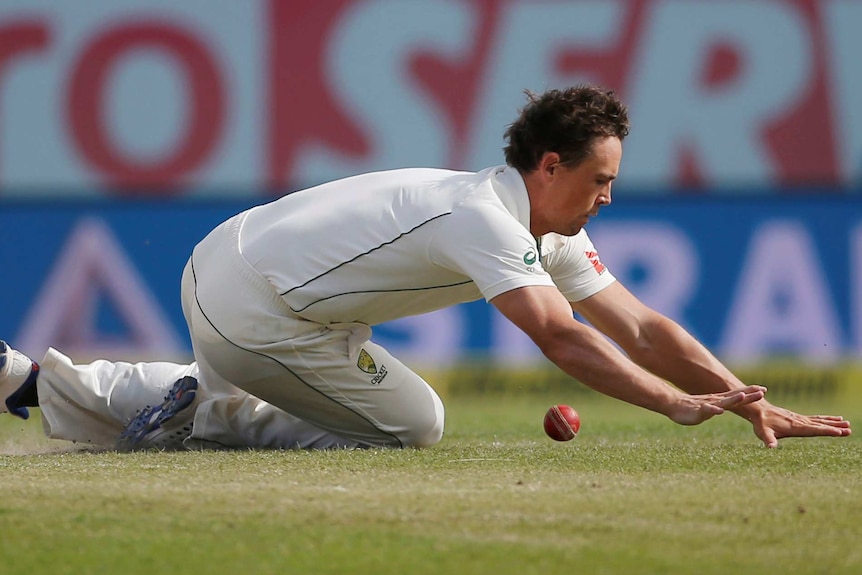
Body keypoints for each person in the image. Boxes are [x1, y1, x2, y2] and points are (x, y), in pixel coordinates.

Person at [0, 86, 851, 451]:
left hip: (234, 268)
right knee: (415, 422)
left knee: (361, 399)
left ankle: (29, 382)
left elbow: (638, 324)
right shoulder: (484, 215)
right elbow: (561, 334)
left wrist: (746, 397)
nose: (607, 199)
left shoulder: (529, 222)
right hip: (254, 309)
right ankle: (200, 412)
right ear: (548, 166)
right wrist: (671, 402)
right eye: (600, 181)